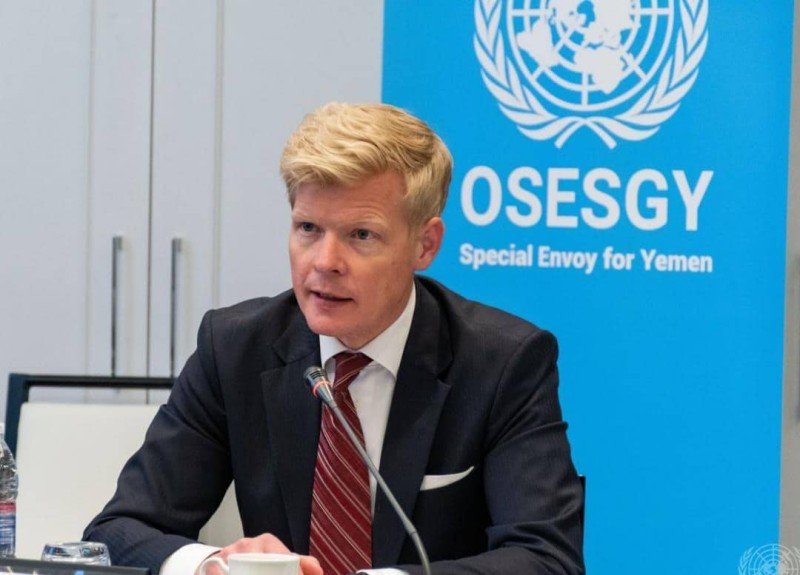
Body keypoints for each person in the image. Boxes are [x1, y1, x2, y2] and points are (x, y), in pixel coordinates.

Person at [84, 102, 585, 575]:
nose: (324, 262)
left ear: (425, 244)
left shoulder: (502, 363)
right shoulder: (235, 348)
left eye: (361, 235)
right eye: (308, 228)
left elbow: (547, 560)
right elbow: (116, 534)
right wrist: (212, 564)